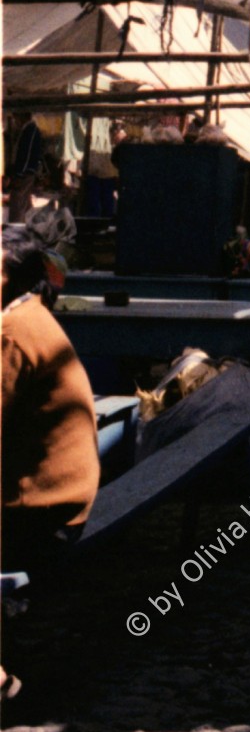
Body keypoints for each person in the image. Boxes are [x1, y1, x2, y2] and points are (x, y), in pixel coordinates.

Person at [1, 231, 100, 578]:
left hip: (41, 510)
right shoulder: (32, 313)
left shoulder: (12, 330)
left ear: (16, 279)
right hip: (67, 498)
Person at [7, 120, 44, 224]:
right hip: (25, 171)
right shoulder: (27, 130)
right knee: (24, 201)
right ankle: (25, 225)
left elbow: (26, 153)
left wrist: (20, 174)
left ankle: (16, 225)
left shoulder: (31, 129)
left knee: (18, 200)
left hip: (25, 172)